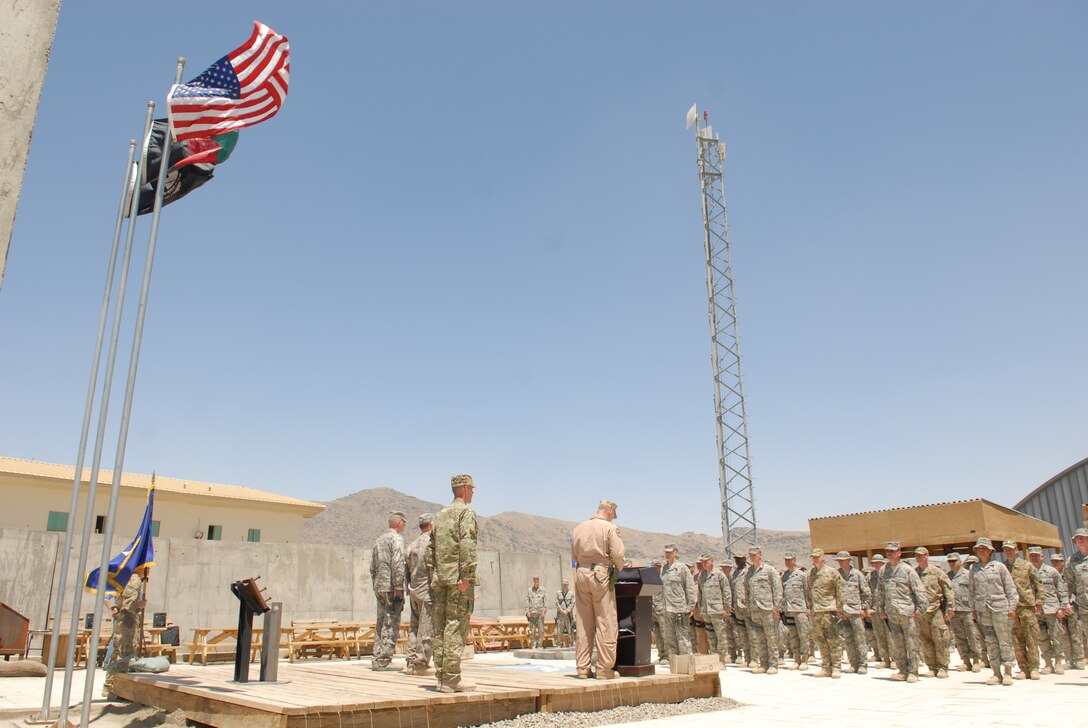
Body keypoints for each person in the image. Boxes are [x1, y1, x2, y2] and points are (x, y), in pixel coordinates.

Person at [429, 474, 479, 693]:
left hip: (441, 579)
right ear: (465, 488)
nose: (473, 493)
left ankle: (441, 677)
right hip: (458, 580)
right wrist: (466, 576)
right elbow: (467, 543)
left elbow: (430, 550)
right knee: (455, 625)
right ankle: (451, 678)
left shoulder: (439, 515)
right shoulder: (465, 513)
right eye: (472, 489)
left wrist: (434, 574)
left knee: (439, 627)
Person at [570, 499, 626, 679]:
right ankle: (604, 668)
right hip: (601, 575)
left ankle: (583, 668)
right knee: (605, 621)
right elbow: (618, 554)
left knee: (584, 623)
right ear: (610, 512)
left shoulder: (578, 528)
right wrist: (618, 567)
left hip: (581, 573)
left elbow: (574, 555)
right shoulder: (609, 528)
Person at [875, 541, 927, 684]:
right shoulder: (883, 570)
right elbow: (880, 591)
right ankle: (902, 670)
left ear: (899, 553)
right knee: (897, 643)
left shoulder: (907, 570)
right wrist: (881, 609)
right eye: (887, 551)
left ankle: (913, 671)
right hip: (892, 612)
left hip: (907, 612)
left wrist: (920, 609)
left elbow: (919, 590)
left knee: (912, 642)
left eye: (892, 551)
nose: (889, 553)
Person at [969, 537, 1017, 686]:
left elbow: (1010, 588)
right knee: (990, 641)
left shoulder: (999, 567)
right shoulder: (973, 568)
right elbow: (971, 591)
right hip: (983, 610)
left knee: (1004, 641)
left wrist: (1012, 607)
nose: (980, 550)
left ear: (991, 551)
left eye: (983, 548)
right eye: (979, 548)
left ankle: (1008, 672)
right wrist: (973, 610)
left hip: (1000, 609)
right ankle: (996, 673)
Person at [102, 565, 149, 698]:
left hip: (128, 621)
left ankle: (110, 686)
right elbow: (127, 605)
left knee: (120, 653)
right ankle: (116, 688)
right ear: (141, 568)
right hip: (127, 623)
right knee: (125, 655)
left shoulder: (130, 579)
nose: (149, 571)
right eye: (148, 568)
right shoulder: (133, 580)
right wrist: (138, 606)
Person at [370, 511, 407, 671]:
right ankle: (384, 659)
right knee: (391, 623)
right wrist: (398, 587)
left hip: (379, 586)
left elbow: (372, 568)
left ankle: (377, 656)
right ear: (400, 524)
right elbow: (398, 563)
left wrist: (376, 584)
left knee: (380, 622)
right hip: (392, 587)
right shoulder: (396, 539)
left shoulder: (378, 540)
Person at [1002, 540, 1042, 680]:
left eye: (1010, 549)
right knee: (1016, 639)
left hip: (1026, 606)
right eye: (1006, 549)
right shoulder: (1003, 567)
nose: (1008, 551)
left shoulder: (1026, 565)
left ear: (1016, 550)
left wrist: (1039, 602)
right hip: (1011, 609)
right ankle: (1023, 668)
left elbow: (1038, 582)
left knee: (1031, 637)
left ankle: (1034, 668)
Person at [912, 547, 954, 678]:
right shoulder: (913, 573)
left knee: (940, 638)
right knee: (925, 639)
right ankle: (931, 666)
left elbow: (948, 590)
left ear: (927, 555)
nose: (918, 558)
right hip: (921, 612)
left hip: (936, 609)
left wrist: (950, 609)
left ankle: (942, 667)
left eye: (921, 555)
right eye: (916, 556)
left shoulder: (937, 572)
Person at [805, 548, 844, 679]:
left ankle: (836, 667)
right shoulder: (810, 574)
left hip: (829, 610)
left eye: (817, 557)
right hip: (816, 611)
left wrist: (839, 608)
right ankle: (826, 666)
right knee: (820, 640)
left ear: (823, 557)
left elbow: (841, 591)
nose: (815, 559)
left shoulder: (832, 572)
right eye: (813, 557)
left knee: (832, 640)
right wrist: (810, 607)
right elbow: (808, 592)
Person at [403, 512, 435, 675]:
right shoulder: (432, 543)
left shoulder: (412, 545)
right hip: (427, 593)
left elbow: (406, 569)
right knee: (427, 629)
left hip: (414, 590)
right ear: (431, 525)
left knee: (414, 628)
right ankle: (421, 663)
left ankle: (410, 661)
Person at [1028, 546, 1067, 675]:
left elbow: (1061, 590)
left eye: (1036, 555)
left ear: (1042, 556)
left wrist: (1062, 607)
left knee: (1056, 636)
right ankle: (1048, 663)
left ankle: (1058, 662)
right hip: (1036, 611)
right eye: (1032, 555)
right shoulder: (1027, 572)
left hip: (1052, 609)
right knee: (1042, 637)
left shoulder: (1052, 571)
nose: (1034, 557)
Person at [743, 546, 782, 674]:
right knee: (760, 639)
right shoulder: (749, 572)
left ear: (760, 555)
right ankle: (764, 664)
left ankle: (773, 664)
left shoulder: (769, 570)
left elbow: (777, 589)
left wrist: (777, 607)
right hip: (755, 610)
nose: (752, 557)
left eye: (754, 554)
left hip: (768, 609)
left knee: (771, 637)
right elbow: (747, 591)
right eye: (750, 555)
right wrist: (749, 608)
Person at [834, 551, 871, 674]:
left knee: (860, 638)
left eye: (842, 560)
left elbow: (866, 593)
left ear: (849, 560)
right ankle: (853, 663)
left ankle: (862, 664)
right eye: (839, 560)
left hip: (855, 611)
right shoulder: (837, 575)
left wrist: (864, 608)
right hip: (843, 612)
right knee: (848, 639)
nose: (840, 562)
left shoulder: (857, 574)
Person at [946, 552, 984, 672]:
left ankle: (977, 660)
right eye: (950, 561)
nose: (952, 564)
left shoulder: (968, 575)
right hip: (954, 610)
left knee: (972, 635)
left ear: (960, 562)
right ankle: (966, 661)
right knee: (959, 637)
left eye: (954, 561)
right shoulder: (947, 576)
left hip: (967, 609)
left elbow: (976, 591)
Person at [659, 543, 696, 661]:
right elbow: (661, 588)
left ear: (675, 553)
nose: (667, 554)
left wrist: (690, 606)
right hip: (667, 608)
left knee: (683, 637)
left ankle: (685, 662)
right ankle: (674, 663)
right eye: (666, 552)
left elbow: (689, 587)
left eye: (669, 552)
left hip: (680, 607)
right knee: (670, 637)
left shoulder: (682, 568)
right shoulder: (663, 568)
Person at [695, 554, 732, 668]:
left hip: (717, 610)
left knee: (720, 635)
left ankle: (721, 659)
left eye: (706, 561)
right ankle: (714, 657)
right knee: (710, 635)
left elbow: (726, 592)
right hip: (706, 611)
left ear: (712, 561)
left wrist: (726, 608)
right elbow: (700, 594)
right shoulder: (701, 576)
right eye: (703, 562)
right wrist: (701, 609)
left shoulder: (719, 575)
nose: (704, 564)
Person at [1052, 552, 1085, 669]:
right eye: (1053, 561)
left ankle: (1080, 659)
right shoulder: (1052, 575)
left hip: (1073, 606)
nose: (1055, 563)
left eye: (1057, 561)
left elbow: (1073, 588)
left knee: (1076, 633)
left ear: (1062, 562)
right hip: (1060, 608)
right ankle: (1069, 660)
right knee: (1064, 635)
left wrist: (1070, 602)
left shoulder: (1066, 575)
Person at [781, 552, 811, 670]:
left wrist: (808, 608)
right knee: (793, 635)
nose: (787, 562)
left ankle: (804, 660)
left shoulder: (802, 575)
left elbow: (807, 592)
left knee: (803, 635)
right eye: (786, 560)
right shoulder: (784, 576)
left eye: (790, 560)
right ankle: (796, 659)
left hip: (800, 609)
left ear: (794, 560)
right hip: (789, 610)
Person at [1067, 528, 1088, 668]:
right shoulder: (1072, 560)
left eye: (1083, 537)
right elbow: (1068, 583)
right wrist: (1067, 602)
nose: (1080, 540)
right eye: (1077, 538)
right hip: (1083, 605)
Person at [867, 554, 891, 668]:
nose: (876, 565)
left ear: (883, 563)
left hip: (887, 609)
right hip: (875, 610)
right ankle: (885, 659)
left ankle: (895, 658)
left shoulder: (889, 573)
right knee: (879, 634)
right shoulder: (870, 576)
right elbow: (868, 593)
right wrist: (868, 608)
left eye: (878, 562)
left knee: (890, 634)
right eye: (874, 563)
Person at [730, 553, 753, 666]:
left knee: (751, 632)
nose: (737, 561)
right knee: (742, 634)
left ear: (744, 559)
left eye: (739, 559)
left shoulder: (749, 571)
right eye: (736, 560)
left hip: (747, 607)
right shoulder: (734, 573)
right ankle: (747, 658)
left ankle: (754, 658)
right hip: (737, 608)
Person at [555, 579, 575, 647]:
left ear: (568, 584)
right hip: (560, 615)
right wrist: (562, 611)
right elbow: (557, 603)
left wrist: (567, 611)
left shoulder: (571, 593)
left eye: (566, 584)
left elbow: (572, 603)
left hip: (568, 615)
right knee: (559, 631)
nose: (564, 585)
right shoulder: (558, 593)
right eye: (563, 584)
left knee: (570, 630)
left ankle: (571, 643)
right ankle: (559, 644)